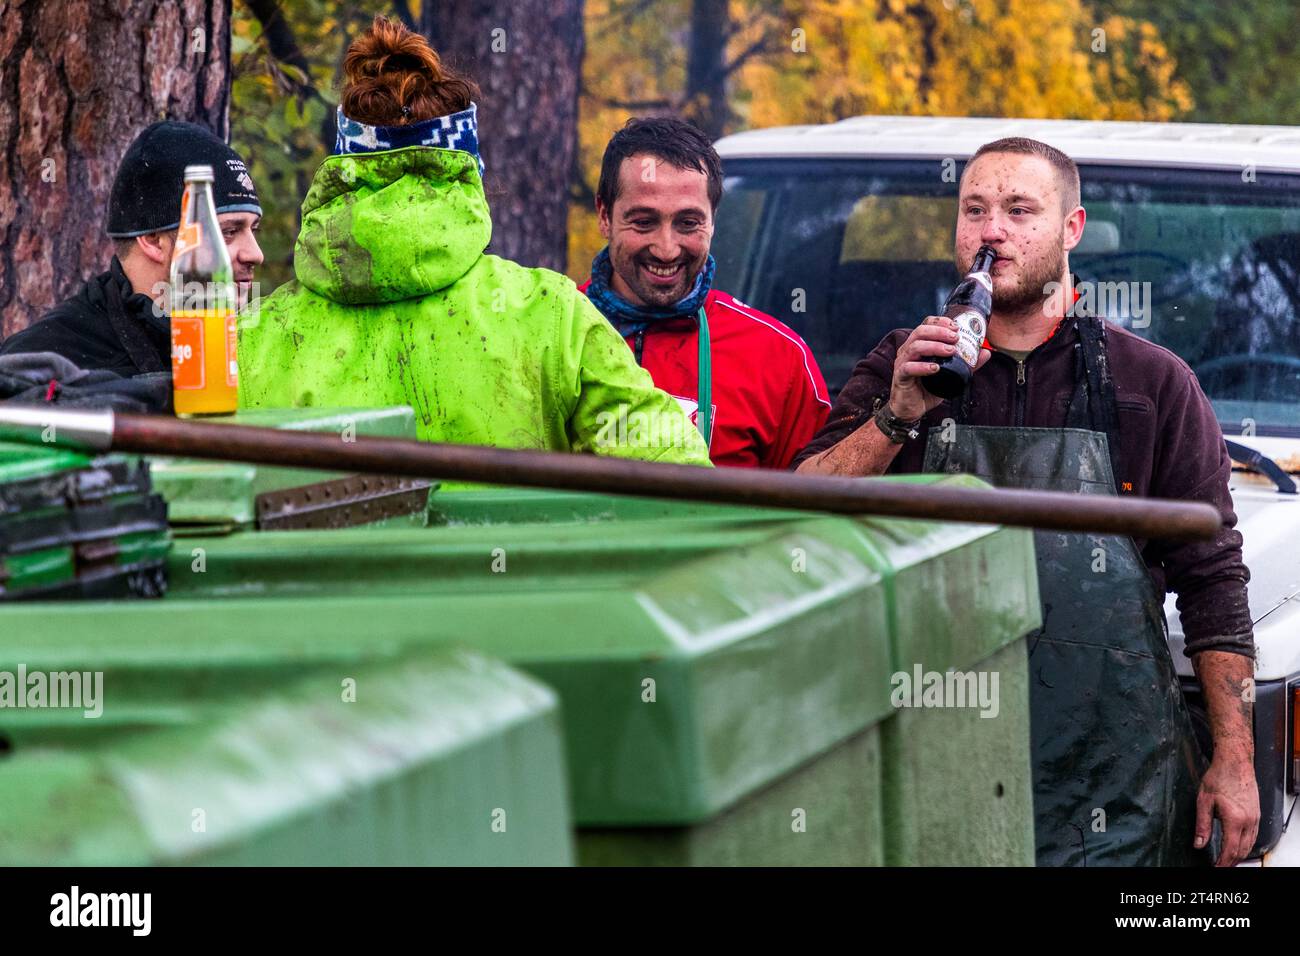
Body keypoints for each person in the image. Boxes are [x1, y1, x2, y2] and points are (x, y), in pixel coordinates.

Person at [794, 137, 1259, 867]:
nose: (992, 232)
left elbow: (1214, 580)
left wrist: (1235, 759)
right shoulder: (901, 363)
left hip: (1111, 787)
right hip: (926, 761)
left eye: (1019, 210)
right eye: (975, 210)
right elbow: (803, 519)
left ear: (1072, 229)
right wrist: (895, 416)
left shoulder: (1154, 383)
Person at [238, 17, 708, 468]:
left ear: (339, 176)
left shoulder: (253, 338)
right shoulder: (551, 316)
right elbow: (681, 481)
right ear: (468, 176)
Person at [581, 118, 830, 468]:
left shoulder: (779, 359)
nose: (666, 249)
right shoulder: (550, 332)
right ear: (604, 215)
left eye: (688, 223)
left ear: (712, 220)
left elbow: (813, 513)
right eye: (643, 222)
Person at [0, 121, 263, 381]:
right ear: (153, 240)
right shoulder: (45, 365)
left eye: (255, 230)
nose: (256, 254)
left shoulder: (258, 348)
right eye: (227, 232)